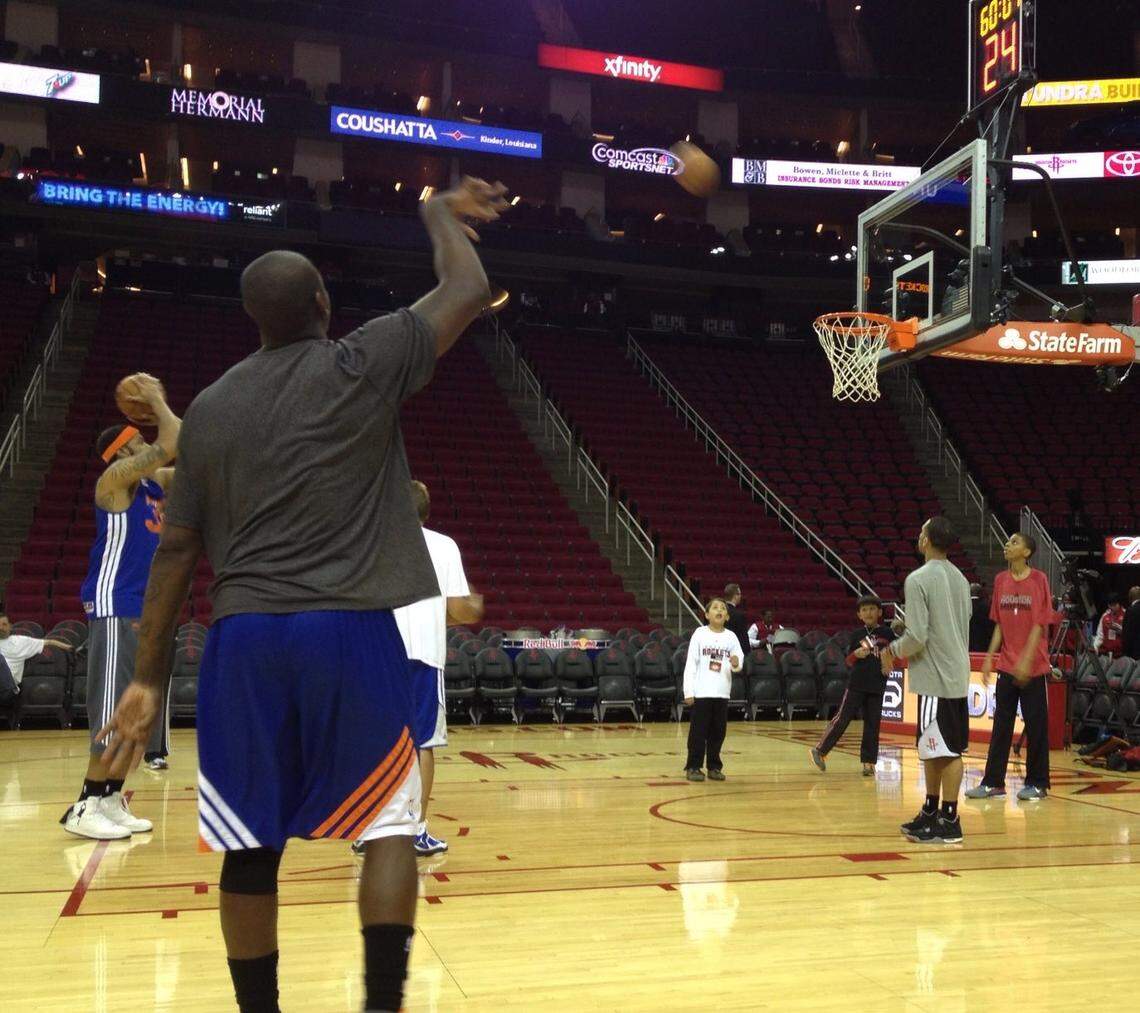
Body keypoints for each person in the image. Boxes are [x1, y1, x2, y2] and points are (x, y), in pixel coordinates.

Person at [97, 176, 507, 1013]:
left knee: (250, 845)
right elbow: (467, 286)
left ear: (254, 319)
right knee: (388, 823)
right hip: (346, 627)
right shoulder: (362, 360)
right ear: (323, 303)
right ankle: (382, 1003)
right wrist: (436, 211)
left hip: (244, 636)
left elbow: (176, 552)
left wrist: (145, 679)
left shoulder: (211, 408)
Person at [59, 389, 180, 841]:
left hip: (146, 608)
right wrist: (157, 400)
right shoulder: (113, 481)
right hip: (116, 605)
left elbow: (184, 446)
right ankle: (85, 804)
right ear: (121, 452)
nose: (143, 443)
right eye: (136, 441)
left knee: (137, 716)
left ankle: (110, 797)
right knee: (112, 709)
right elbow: (170, 441)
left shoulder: (153, 484)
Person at [353, 479, 484, 859]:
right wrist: (465, 610)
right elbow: (460, 609)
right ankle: (416, 829)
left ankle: (372, 828)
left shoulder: (373, 542)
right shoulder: (444, 546)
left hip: (378, 655)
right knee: (422, 744)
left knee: (378, 744)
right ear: (427, 512)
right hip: (424, 656)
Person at [880, 517, 971, 844]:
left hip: (936, 676)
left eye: (921, 532)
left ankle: (950, 819)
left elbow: (917, 636)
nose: (918, 536)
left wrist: (891, 650)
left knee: (947, 750)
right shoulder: (961, 578)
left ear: (927, 540)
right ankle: (931, 811)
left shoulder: (918, 578)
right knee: (933, 749)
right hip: (955, 671)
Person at [966, 533, 1054, 801]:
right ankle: (993, 782)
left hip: (1033, 667)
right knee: (1001, 726)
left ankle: (1038, 783)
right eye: (1008, 541)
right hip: (1006, 664)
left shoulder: (1039, 579)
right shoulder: (1000, 580)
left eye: (1015, 542)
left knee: (1036, 727)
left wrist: (1026, 660)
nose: (1008, 544)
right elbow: (999, 625)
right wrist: (989, 658)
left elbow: (1040, 624)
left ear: (1027, 552)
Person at [810, 594, 893, 776]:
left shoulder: (888, 634)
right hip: (857, 684)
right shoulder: (857, 635)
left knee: (873, 725)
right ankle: (820, 750)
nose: (868, 612)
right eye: (864, 610)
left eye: (872, 609)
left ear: (879, 612)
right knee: (842, 719)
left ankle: (868, 763)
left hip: (878, 685)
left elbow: (896, 654)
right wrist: (856, 654)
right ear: (859, 615)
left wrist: (890, 660)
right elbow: (848, 661)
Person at [682, 598, 743, 782]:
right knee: (698, 732)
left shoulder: (731, 637)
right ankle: (693, 766)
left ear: (727, 616)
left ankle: (714, 767)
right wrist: (688, 691)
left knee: (718, 732)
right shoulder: (700, 634)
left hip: (722, 692)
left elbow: (738, 658)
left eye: (723, 608)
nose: (719, 610)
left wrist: (736, 663)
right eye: (715, 608)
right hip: (702, 692)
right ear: (707, 614)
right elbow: (691, 664)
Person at [0, 613, 74, 685]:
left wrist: (68, 647)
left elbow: (49, 642)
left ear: (10, 626)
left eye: (4, 624)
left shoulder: (21, 641)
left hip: (7, 685)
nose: (1, 628)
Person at [722, 583, 752, 657]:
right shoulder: (739, 615)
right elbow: (743, 639)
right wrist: (747, 654)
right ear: (735, 596)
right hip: (734, 654)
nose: (740, 596)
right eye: (739, 594)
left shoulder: (716, 612)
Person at [968, 582, 995, 653]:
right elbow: (991, 627)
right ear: (980, 593)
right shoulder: (987, 607)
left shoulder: (964, 606)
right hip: (983, 646)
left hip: (967, 645)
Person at [1121, 586, 1140, 659]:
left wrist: (1125, 651)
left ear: (1130, 597)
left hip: (1135, 651)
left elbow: (1128, 633)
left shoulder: (1131, 611)